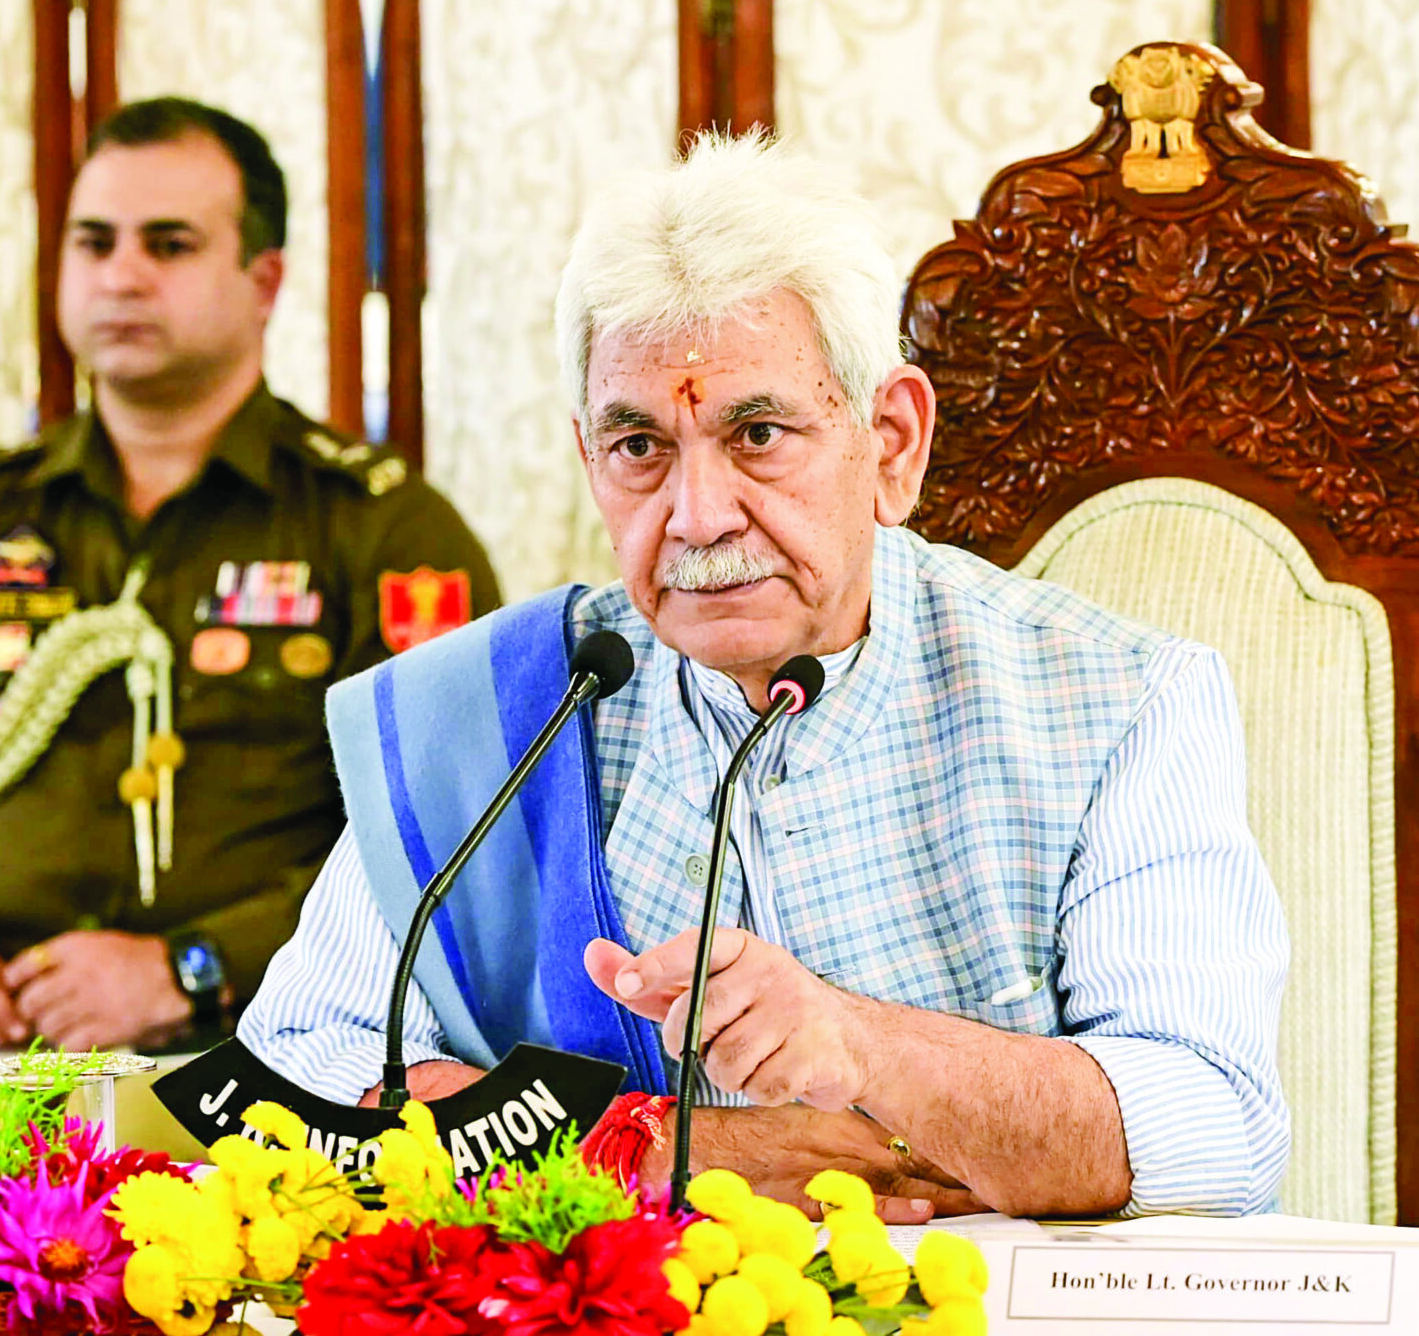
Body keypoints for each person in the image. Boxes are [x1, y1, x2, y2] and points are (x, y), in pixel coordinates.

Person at [238, 133, 1289, 1221]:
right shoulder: (493, 717)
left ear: (891, 442)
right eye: (638, 444)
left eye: (757, 432)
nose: (696, 517)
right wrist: (649, 1151)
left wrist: (866, 1046)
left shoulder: (1113, 702)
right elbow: (285, 1070)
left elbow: (1217, 1131)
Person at [0, 96, 501, 1055]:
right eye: (93, 242)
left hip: (262, 1045)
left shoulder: (378, 527)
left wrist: (191, 965)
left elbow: (458, 836)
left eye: (168, 244)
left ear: (264, 281)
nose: (121, 275)